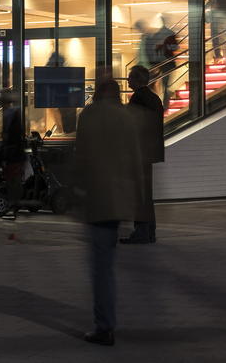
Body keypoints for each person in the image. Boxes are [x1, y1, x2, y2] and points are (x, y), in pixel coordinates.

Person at [73, 67, 146, 345]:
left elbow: (80, 157)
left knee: (101, 267)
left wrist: (75, 192)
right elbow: (136, 159)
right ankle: (106, 322)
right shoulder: (127, 117)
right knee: (107, 263)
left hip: (97, 199)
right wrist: (138, 199)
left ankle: (105, 327)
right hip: (120, 199)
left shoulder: (88, 115)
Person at [121, 65, 165, 245]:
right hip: (151, 152)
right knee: (147, 193)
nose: (128, 80)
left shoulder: (137, 99)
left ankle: (141, 232)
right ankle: (150, 231)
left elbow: (130, 128)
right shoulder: (155, 99)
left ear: (137, 79)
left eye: (130, 77)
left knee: (139, 195)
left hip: (138, 152)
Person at [0, 88, 29, 213]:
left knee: (13, 183)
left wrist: (7, 136)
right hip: (14, 156)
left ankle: (13, 206)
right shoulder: (11, 114)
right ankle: (13, 206)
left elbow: (11, 138)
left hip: (13, 157)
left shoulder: (10, 115)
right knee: (14, 182)